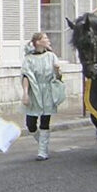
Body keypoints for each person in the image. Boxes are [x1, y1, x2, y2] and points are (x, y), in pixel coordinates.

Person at [21, 32, 65, 161]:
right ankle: (42, 143)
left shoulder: (51, 56)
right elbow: (26, 76)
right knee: (31, 125)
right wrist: (25, 93)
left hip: (47, 90)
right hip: (34, 91)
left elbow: (58, 77)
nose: (48, 40)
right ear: (37, 42)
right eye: (45, 38)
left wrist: (57, 71)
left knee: (45, 121)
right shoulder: (28, 58)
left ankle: (42, 152)